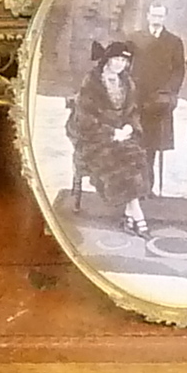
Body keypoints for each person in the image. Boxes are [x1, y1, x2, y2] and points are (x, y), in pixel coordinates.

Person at [65, 41, 153, 238]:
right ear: (107, 59)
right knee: (117, 158)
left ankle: (130, 213)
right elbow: (84, 119)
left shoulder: (127, 82)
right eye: (117, 59)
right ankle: (137, 214)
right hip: (94, 138)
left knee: (137, 155)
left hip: (122, 134)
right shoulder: (92, 82)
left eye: (124, 60)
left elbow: (132, 112)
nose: (121, 64)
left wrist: (129, 127)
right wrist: (112, 133)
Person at [133, 5, 187, 176]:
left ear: (165, 18)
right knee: (135, 138)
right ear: (148, 16)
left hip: (160, 100)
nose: (157, 19)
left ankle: (148, 181)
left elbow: (179, 70)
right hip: (138, 96)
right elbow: (127, 65)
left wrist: (169, 92)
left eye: (160, 16)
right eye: (154, 15)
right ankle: (135, 181)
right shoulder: (135, 38)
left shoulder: (174, 41)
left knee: (154, 142)